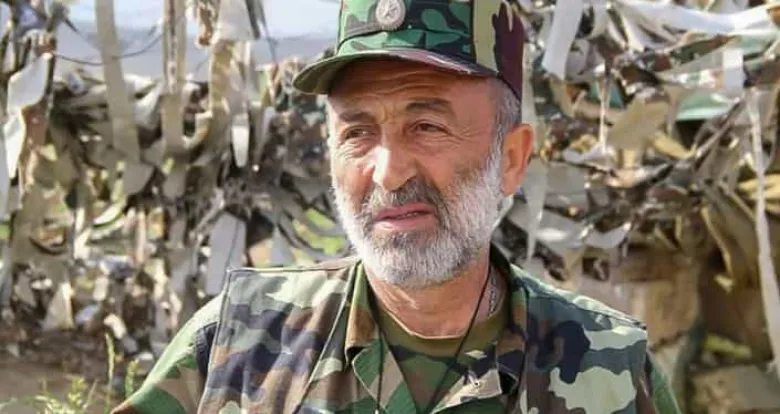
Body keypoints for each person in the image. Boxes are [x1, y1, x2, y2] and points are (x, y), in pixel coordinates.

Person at [113, 0, 681, 413]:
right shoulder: (240, 340)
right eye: (357, 133)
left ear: (510, 158)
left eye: (427, 126)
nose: (388, 172)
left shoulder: (611, 369)